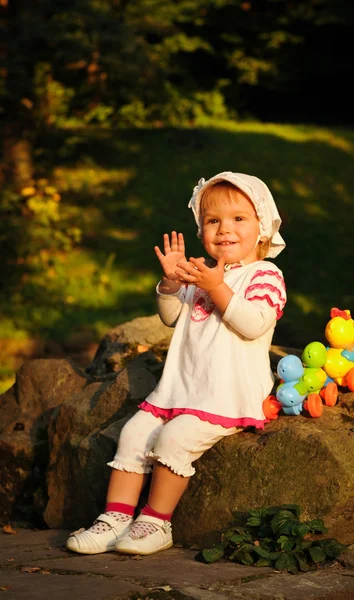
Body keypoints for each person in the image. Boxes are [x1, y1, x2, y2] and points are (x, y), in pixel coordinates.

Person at [66, 171, 287, 556]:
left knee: (173, 440)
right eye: (212, 221)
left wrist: (217, 286)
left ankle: (155, 521)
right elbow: (171, 316)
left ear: (263, 228)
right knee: (134, 433)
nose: (224, 230)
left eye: (239, 219)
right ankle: (115, 517)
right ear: (201, 230)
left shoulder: (264, 274)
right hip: (181, 387)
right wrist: (170, 284)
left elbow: (254, 324)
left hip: (226, 394)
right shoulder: (200, 274)